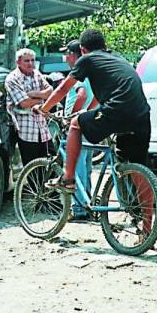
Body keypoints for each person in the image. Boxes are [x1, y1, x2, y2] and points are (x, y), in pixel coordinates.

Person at [38, 29, 151, 191]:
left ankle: (67, 178)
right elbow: (101, 95)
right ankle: (148, 216)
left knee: (75, 124)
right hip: (141, 114)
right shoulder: (118, 58)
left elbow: (63, 89)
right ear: (104, 45)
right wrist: (87, 112)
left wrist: (43, 109)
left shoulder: (87, 60)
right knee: (140, 171)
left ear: (82, 50)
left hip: (117, 110)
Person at [61, 40, 98, 219]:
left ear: (74, 55)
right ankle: (87, 202)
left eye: (67, 53)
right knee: (86, 166)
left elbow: (81, 95)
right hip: (91, 124)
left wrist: (73, 116)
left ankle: (79, 208)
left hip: (78, 126)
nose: (65, 57)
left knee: (76, 166)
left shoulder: (78, 74)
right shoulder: (92, 73)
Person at [5, 48, 54, 167]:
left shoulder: (37, 74)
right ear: (18, 62)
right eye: (27, 61)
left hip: (42, 127)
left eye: (32, 60)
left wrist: (33, 94)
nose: (30, 63)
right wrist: (42, 97)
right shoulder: (12, 78)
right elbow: (24, 103)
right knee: (31, 168)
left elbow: (50, 91)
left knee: (50, 165)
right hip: (26, 129)